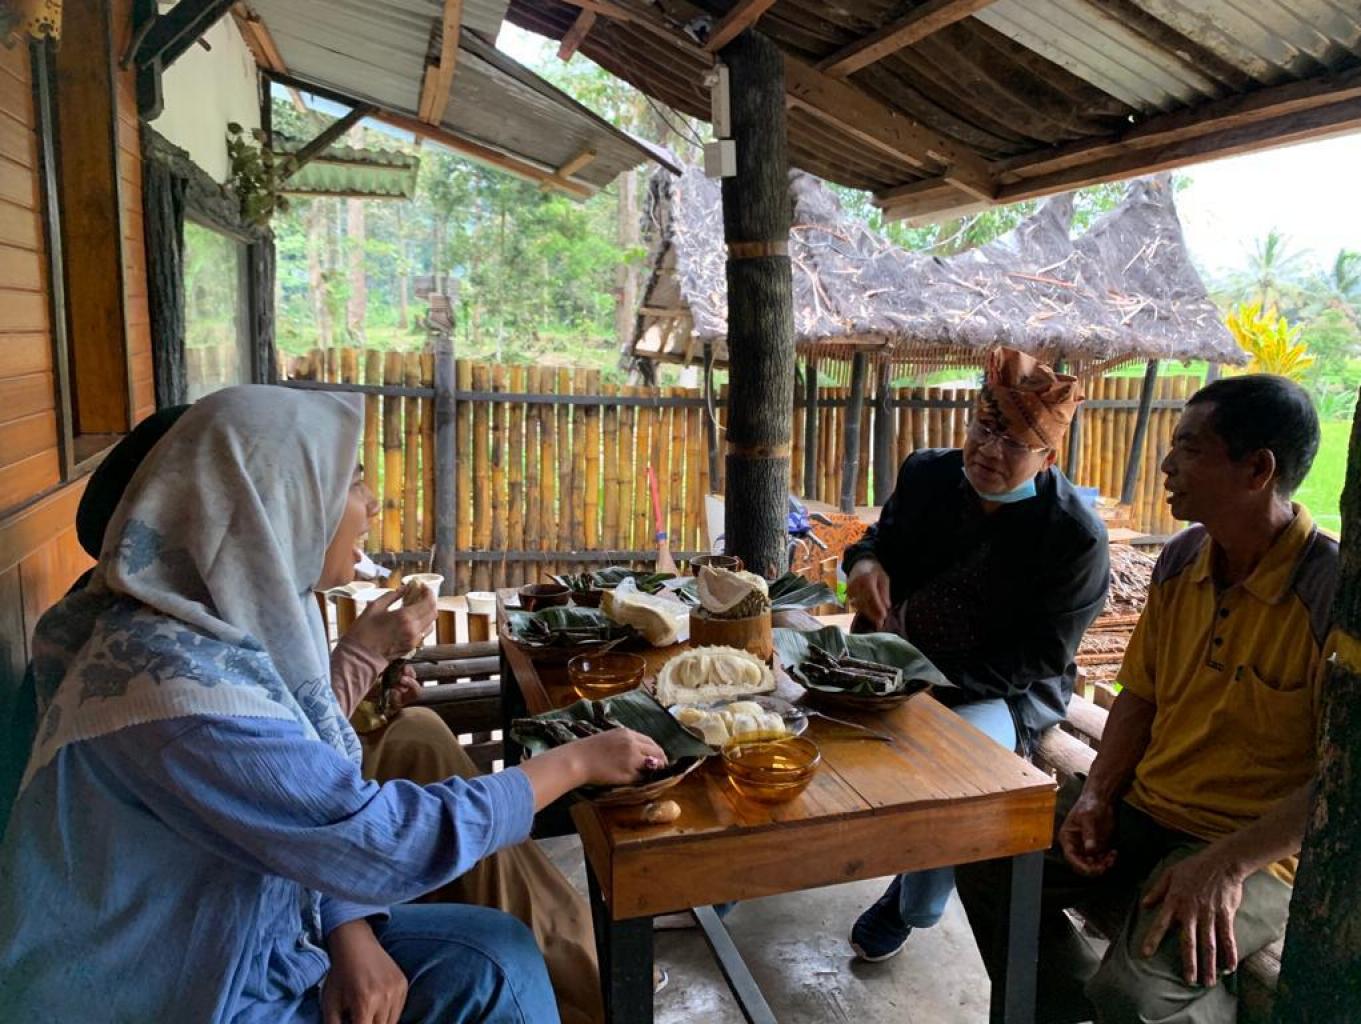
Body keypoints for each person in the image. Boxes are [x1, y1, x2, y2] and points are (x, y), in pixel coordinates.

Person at [0, 386, 665, 1022]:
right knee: (493, 965)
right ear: (268, 503)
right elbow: (378, 841)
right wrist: (575, 763)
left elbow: (295, 802)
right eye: (349, 481)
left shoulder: (201, 626)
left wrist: (346, 918)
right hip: (184, 987)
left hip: (249, 930)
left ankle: (583, 981)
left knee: (494, 948)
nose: (371, 502)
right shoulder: (174, 689)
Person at [957, 373, 1335, 1024]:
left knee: (1134, 1000)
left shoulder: (1331, 596)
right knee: (985, 851)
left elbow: (1342, 785)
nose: (1166, 464)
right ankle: (1067, 1005)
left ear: (1257, 470)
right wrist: (1099, 794)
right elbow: (1140, 696)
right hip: (1143, 809)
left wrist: (1225, 864)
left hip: (1255, 851)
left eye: (1188, 448)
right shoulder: (1184, 556)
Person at [842, 347, 1110, 962]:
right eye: (983, 430)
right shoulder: (928, 475)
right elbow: (880, 538)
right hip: (892, 655)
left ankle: (912, 902)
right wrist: (864, 562)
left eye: (1014, 443)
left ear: (1048, 457)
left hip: (1001, 689)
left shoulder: (1074, 537)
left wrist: (929, 686)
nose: (990, 451)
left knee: (955, 770)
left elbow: (1040, 657)